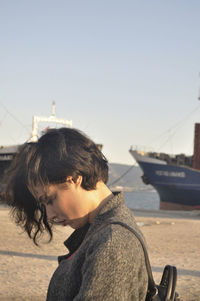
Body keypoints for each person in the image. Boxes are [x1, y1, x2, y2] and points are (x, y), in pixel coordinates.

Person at [5, 127, 148, 301]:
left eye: (49, 199)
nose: (50, 215)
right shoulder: (101, 229)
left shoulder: (113, 242)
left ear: (73, 178)